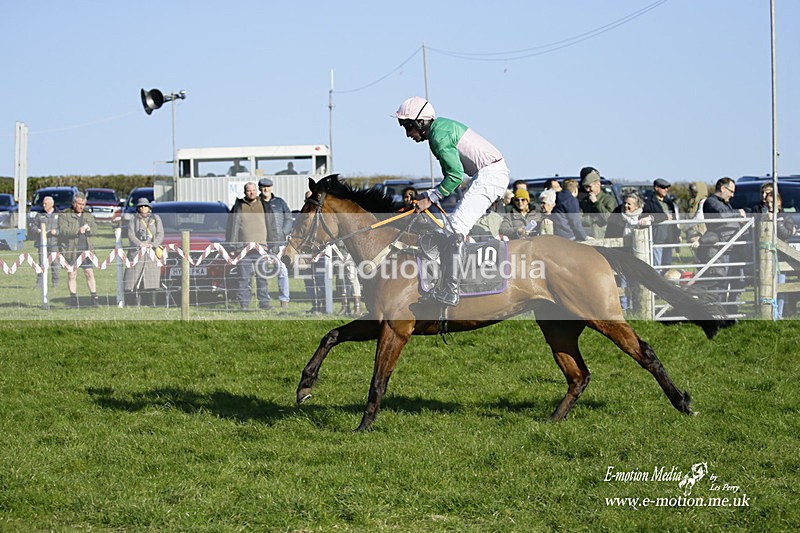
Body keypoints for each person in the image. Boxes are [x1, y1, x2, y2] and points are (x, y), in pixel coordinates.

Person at [395, 96, 509, 306]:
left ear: (421, 123)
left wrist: (429, 198)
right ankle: (443, 284)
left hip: (490, 174)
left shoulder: (438, 135)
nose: (407, 134)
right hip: (485, 174)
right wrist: (429, 194)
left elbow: (455, 176)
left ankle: (451, 291)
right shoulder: (439, 130)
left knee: (455, 228)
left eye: (408, 127)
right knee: (445, 229)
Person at [226, 182, 274, 310]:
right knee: (243, 278)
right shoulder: (238, 207)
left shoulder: (264, 205)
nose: (251, 192)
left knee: (262, 278)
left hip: (262, 249)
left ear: (257, 191)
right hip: (243, 249)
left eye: (253, 190)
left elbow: (272, 225)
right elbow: (231, 227)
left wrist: (272, 243)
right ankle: (244, 305)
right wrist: (232, 245)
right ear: (244, 192)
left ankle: (264, 304)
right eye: (248, 191)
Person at [58, 193, 100, 308]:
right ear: (74, 203)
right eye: (79, 204)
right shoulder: (64, 214)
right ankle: (73, 299)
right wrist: (78, 230)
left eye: (83, 204)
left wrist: (89, 229)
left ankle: (94, 298)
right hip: (71, 250)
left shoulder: (88, 215)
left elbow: (95, 229)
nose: (81, 207)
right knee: (72, 274)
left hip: (86, 249)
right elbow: (63, 231)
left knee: (89, 273)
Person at [258, 177, 292, 309]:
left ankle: (284, 301)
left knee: (283, 272)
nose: (266, 189)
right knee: (261, 273)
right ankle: (264, 302)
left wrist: (283, 232)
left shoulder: (280, 202)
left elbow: (288, 218)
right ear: (260, 188)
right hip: (262, 244)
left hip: (279, 242)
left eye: (268, 186)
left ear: (271, 188)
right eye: (263, 187)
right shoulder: (257, 203)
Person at [124, 197, 164, 307]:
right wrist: (140, 244)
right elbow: (131, 235)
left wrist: (153, 245)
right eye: (141, 206)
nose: (143, 208)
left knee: (152, 279)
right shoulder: (133, 219)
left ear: (149, 208)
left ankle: (152, 303)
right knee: (133, 279)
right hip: (137, 252)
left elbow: (160, 234)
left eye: (145, 206)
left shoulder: (156, 218)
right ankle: (135, 302)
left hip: (152, 252)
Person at [643, 178, 680, 267]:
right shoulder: (648, 203)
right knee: (657, 265)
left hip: (669, 237)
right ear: (656, 188)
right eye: (663, 187)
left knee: (667, 264)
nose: (666, 190)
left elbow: (675, 220)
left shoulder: (669, 203)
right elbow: (647, 216)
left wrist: (677, 234)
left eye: (667, 188)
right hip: (657, 238)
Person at [578, 167, 616, 239]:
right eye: (586, 187)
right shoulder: (584, 201)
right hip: (588, 237)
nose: (588, 190)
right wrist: (592, 219)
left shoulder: (608, 200)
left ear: (598, 184)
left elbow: (609, 218)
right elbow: (579, 218)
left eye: (589, 187)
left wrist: (596, 203)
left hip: (603, 237)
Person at [32, 196, 60, 288]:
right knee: (41, 263)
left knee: (55, 264)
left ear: (51, 204)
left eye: (46, 204)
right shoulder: (39, 215)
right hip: (42, 244)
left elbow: (64, 229)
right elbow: (33, 227)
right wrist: (38, 231)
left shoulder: (59, 214)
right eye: (43, 204)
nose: (44, 205)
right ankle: (40, 283)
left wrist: (56, 232)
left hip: (55, 243)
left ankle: (55, 283)